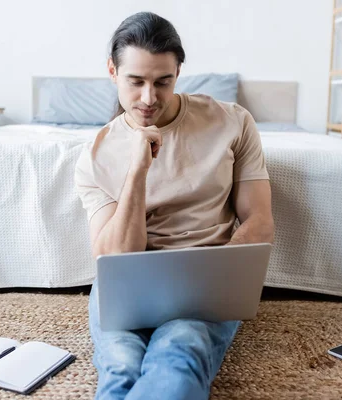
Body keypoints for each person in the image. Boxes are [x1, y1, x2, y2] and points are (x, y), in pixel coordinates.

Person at [74, 11, 274, 400]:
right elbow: (115, 257)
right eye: (136, 82)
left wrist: (218, 281)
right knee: (122, 367)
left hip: (205, 281)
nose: (149, 98)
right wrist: (137, 171)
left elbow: (260, 221)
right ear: (112, 71)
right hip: (128, 283)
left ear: (179, 72)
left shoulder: (232, 122)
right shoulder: (95, 155)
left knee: (179, 354)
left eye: (162, 82)